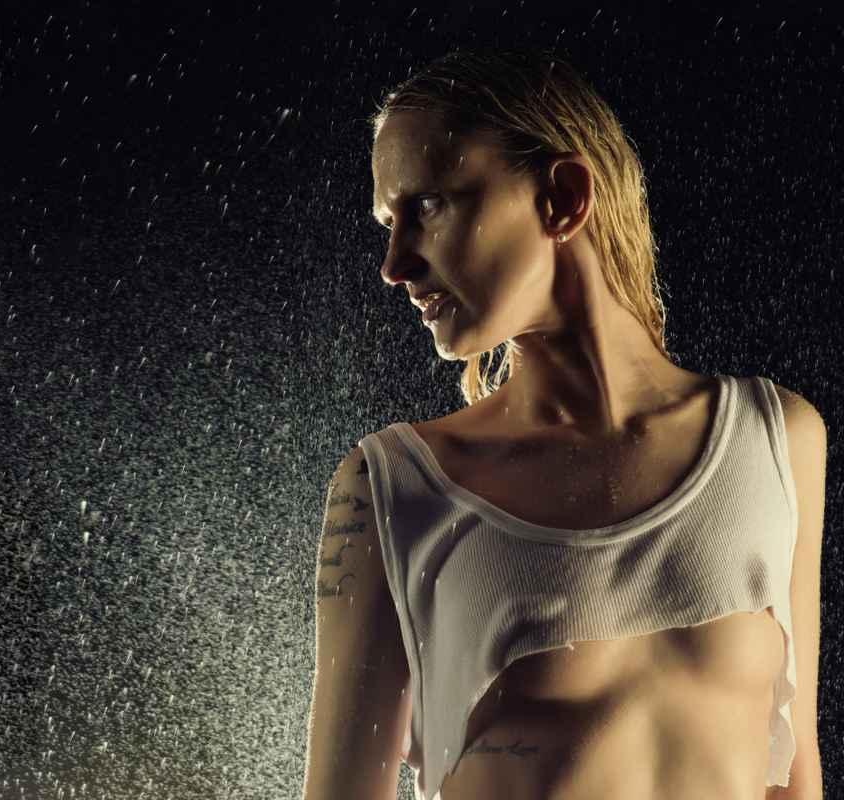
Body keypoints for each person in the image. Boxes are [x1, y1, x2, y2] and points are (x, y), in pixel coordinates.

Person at [302, 48, 824, 800]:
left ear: (562, 198)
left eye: (431, 206)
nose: (395, 263)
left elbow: (796, 775)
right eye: (390, 221)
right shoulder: (395, 489)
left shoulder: (778, 440)